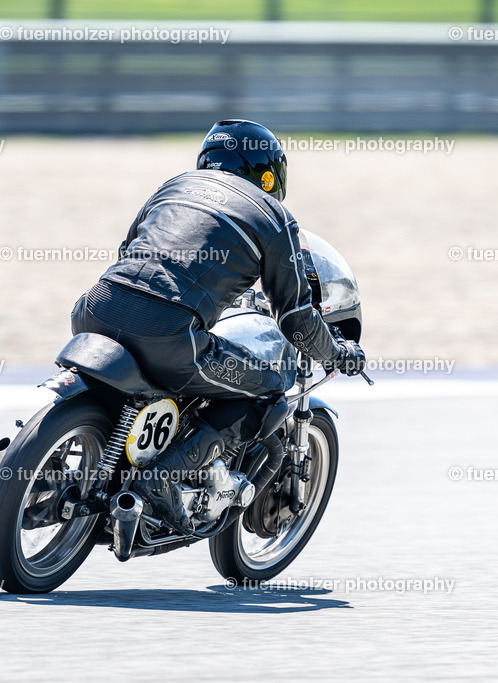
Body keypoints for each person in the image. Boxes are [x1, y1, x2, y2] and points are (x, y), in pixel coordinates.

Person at [71, 119, 365, 533]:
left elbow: (129, 250)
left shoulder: (174, 185)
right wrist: (337, 353)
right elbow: (296, 320)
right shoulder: (274, 217)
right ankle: (161, 478)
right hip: (169, 336)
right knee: (268, 390)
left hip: (94, 311)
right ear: (269, 175)